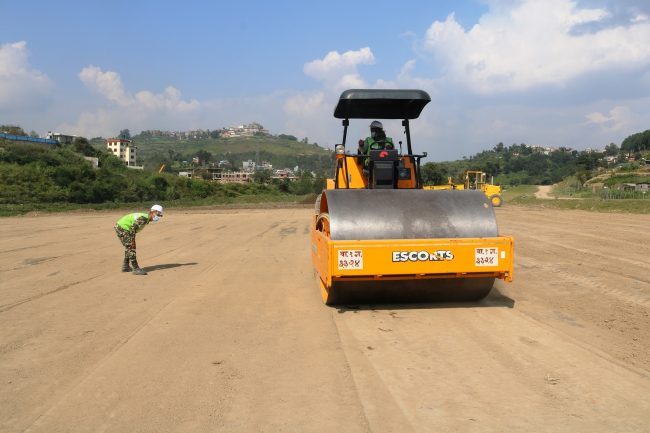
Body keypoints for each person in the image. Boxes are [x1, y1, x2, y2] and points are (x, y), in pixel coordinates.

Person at [114, 204, 164, 275]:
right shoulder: (143, 218)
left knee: (129, 246)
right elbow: (132, 229)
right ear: (153, 212)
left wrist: (132, 239)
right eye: (158, 215)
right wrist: (132, 240)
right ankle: (136, 268)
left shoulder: (146, 219)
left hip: (122, 227)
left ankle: (126, 266)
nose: (158, 217)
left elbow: (133, 229)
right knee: (131, 246)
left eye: (159, 216)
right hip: (122, 227)